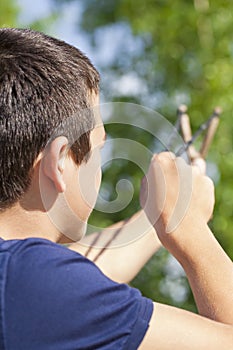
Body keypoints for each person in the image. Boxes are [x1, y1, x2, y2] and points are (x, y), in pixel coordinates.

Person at [0, 28, 232, 350]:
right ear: (61, 160)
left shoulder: (20, 280)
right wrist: (188, 225)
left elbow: (80, 273)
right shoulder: (36, 282)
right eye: (98, 149)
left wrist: (161, 216)